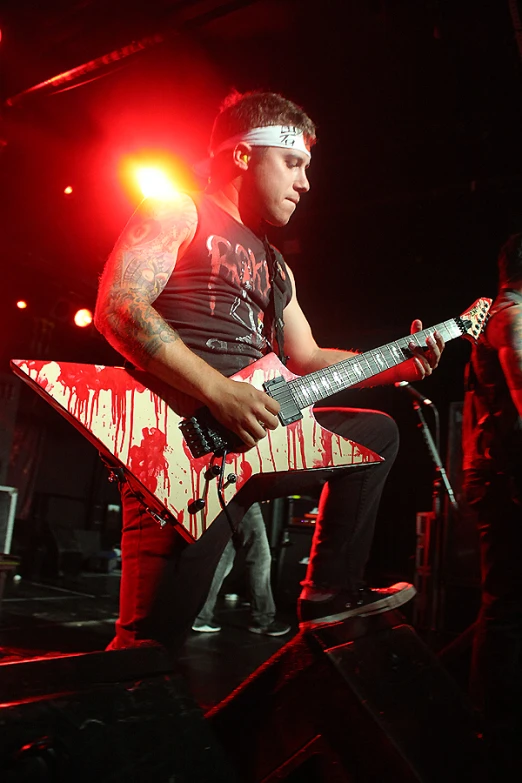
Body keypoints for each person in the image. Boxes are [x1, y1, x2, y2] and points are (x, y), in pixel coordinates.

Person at [94, 90, 444, 657]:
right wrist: (217, 391)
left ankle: (328, 591)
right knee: (147, 651)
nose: (305, 183)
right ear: (242, 155)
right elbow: (120, 307)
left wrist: (398, 362)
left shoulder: (277, 265)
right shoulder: (179, 209)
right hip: (180, 448)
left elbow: (306, 359)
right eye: (293, 163)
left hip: (252, 445)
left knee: (375, 434)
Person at [462, 233, 522, 779]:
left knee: (505, 605)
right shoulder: (513, 316)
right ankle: (496, 735)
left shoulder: (499, 314)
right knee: (505, 608)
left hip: (497, 475)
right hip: (506, 481)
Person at [191, 502, 291, 636]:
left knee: (222, 560)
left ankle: (200, 617)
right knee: (260, 557)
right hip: (245, 498)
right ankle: (263, 619)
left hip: (226, 497)